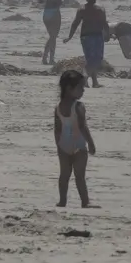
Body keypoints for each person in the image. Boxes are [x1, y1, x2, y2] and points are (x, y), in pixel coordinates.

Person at [53, 68, 95, 208]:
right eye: (81, 87)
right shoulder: (79, 106)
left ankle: (62, 201)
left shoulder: (58, 107)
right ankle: (85, 202)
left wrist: (58, 145)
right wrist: (91, 143)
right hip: (79, 146)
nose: (83, 91)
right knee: (79, 176)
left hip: (63, 145)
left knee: (64, 176)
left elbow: (57, 129)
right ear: (69, 88)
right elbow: (83, 127)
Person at [65, 0, 109, 87]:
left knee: (90, 60)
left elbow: (75, 24)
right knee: (96, 60)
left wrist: (70, 37)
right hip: (96, 36)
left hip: (85, 37)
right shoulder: (100, 9)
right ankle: (84, 77)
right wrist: (107, 35)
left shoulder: (82, 9)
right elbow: (104, 24)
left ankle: (95, 82)